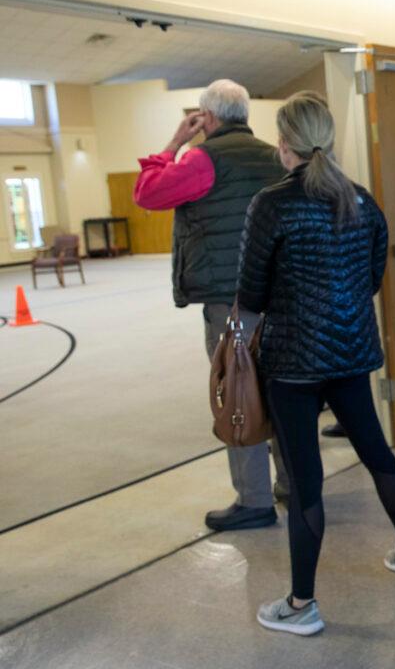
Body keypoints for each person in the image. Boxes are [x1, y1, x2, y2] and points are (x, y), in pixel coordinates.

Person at [238, 92, 395, 636]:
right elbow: (370, 276)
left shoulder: (271, 204)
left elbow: (250, 292)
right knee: (376, 454)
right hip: (350, 354)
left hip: (292, 361)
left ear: (284, 143)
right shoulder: (361, 201)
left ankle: (302, 605)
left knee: (306, 482)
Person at [134, 78, 288, 531]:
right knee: (280, 391)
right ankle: (293, 486)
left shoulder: (204, 158)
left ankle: (254, 501)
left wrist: (176, 141)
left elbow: (148, 193)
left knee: (237, 393)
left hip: (230, 300)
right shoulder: (272, 155)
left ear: (208, 117)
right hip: (278, 295)